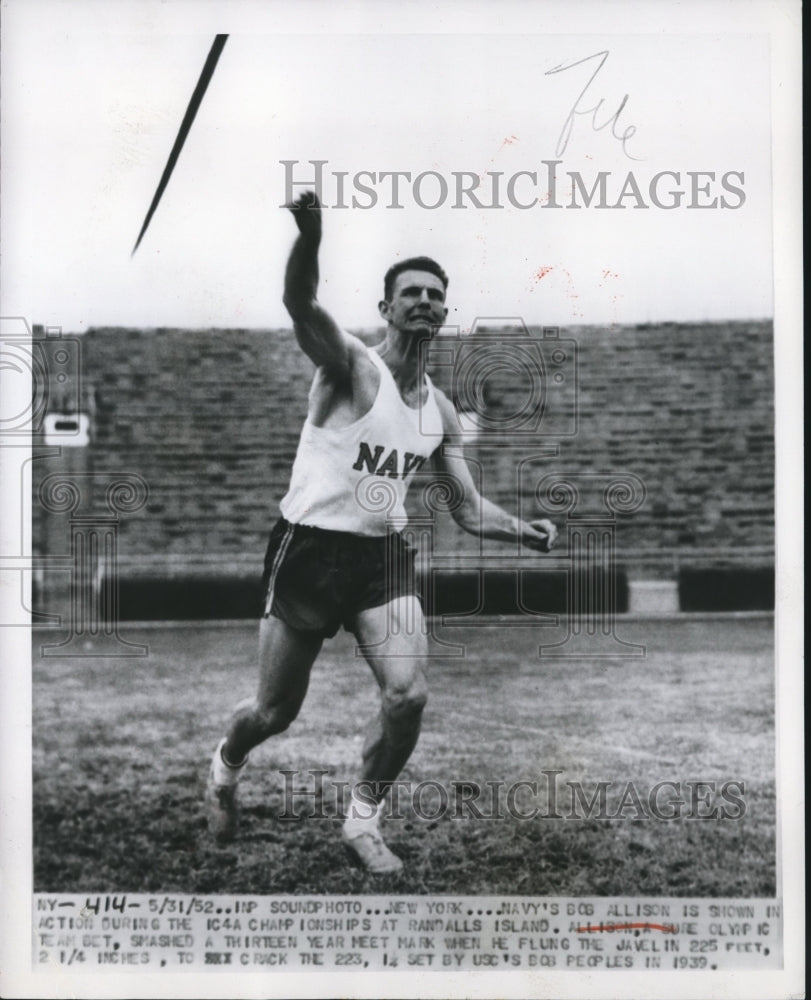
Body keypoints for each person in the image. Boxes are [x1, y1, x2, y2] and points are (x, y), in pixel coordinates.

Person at [206, 190, 558, 874]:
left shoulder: (441, 414)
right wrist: (310, 236)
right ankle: (224, 766)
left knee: (408, 695)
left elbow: (466, 507)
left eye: (434, 294)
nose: (422, 301)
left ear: (444, 313)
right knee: (274, 712)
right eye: (409, 292)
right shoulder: (349, 368)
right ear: (386, 308)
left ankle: (361, 822)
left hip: (380, 559)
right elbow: (301, 305)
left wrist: (526, 532)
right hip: (308, 549)